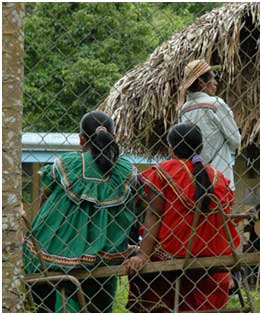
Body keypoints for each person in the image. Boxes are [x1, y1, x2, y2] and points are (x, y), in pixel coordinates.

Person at [22, 111, 139, 312]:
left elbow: (45, 198)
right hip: (104, 255)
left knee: (40, 284)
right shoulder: (126, 170)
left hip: (52, 253)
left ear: (81, 139)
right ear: (113, 137)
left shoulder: (67, 164)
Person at [124, 123, 241, 312]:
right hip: (216, 253)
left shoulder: (163, 171)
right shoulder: (218, 176)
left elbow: (154, 215)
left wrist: (143, 254)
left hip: (176, 254)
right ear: (201, 147)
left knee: (138, 264)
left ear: (171, 148)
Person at [178, 59, 241, 191]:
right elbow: (236, 140)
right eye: (213, 79)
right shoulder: (215, 104)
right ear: (202, 83)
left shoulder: (184, 110)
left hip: (194, 180)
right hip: (220, 176)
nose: (216, 83)